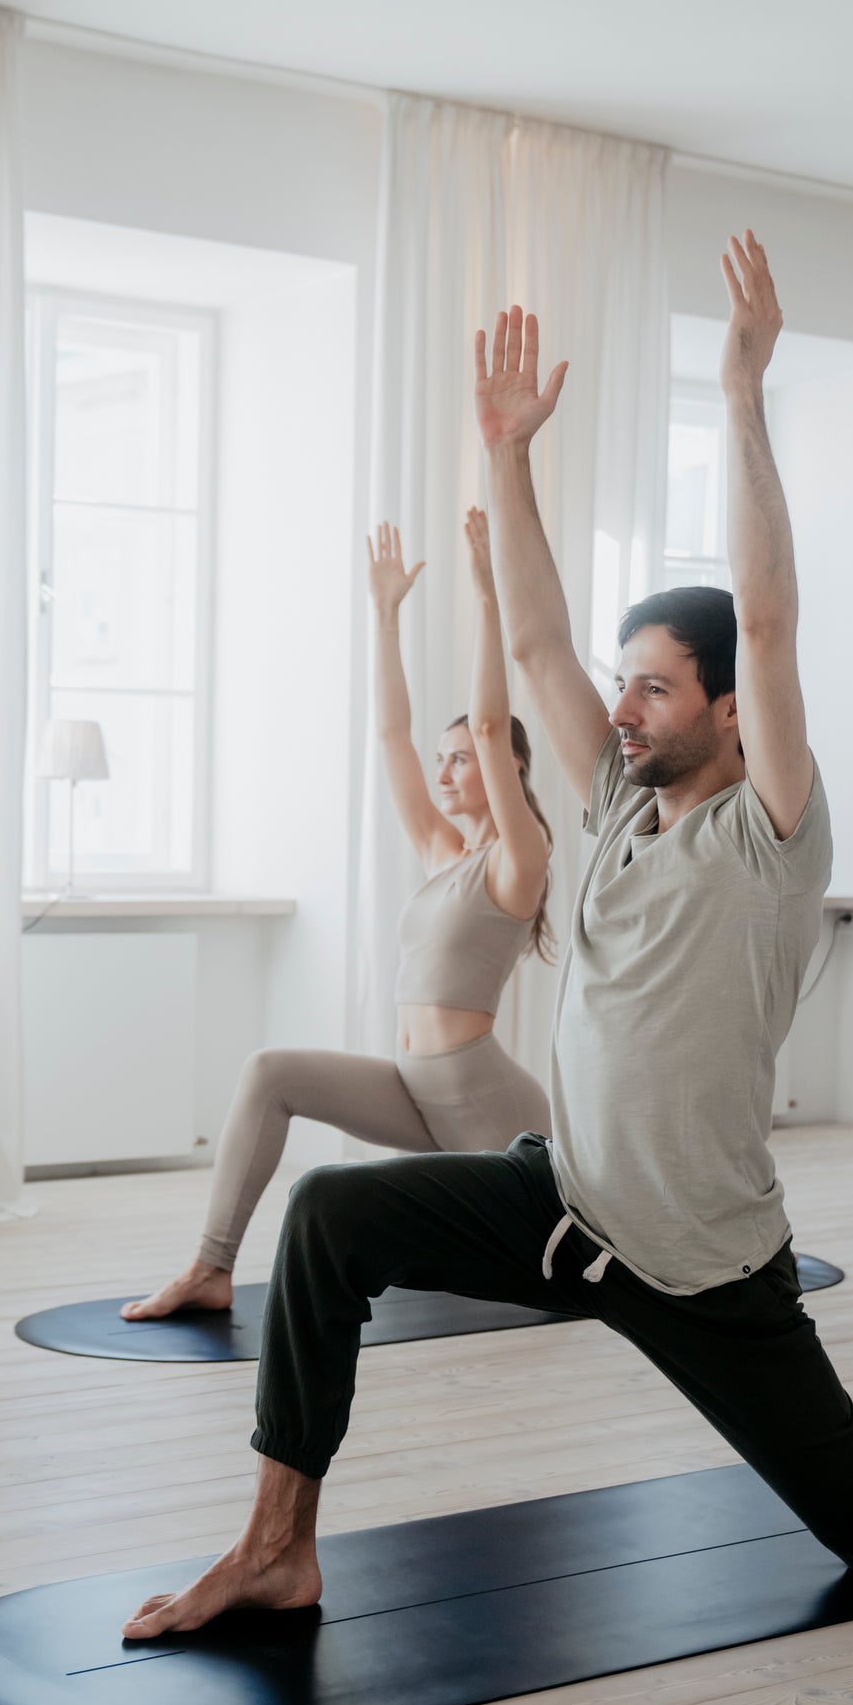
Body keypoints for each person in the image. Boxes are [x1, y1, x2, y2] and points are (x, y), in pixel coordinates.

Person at [123, 230, 853, 1638]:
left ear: (730, 710)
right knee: (325, 1220)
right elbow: (541, 650)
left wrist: (739, 394)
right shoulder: (616, 807)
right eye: (628, 686)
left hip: (704, 1262)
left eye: (657, 689)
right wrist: (506, 457)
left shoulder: (775, 833)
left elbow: (774, 619)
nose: (624, 709)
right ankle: (275, 1546)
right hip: (565, 1201)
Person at [120, 510, 553, 1320]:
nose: (447, 770)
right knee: (268, 1071)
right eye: (443, 760)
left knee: (536, 1264)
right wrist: (385, 618)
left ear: (507, 767)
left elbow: (491, 723)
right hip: (419, 1089)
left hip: (491, 1112)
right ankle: (210, 1268)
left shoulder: (516, 862)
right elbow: (390, 734)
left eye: (461, 758)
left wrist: (490, 596)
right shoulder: (441, 852)